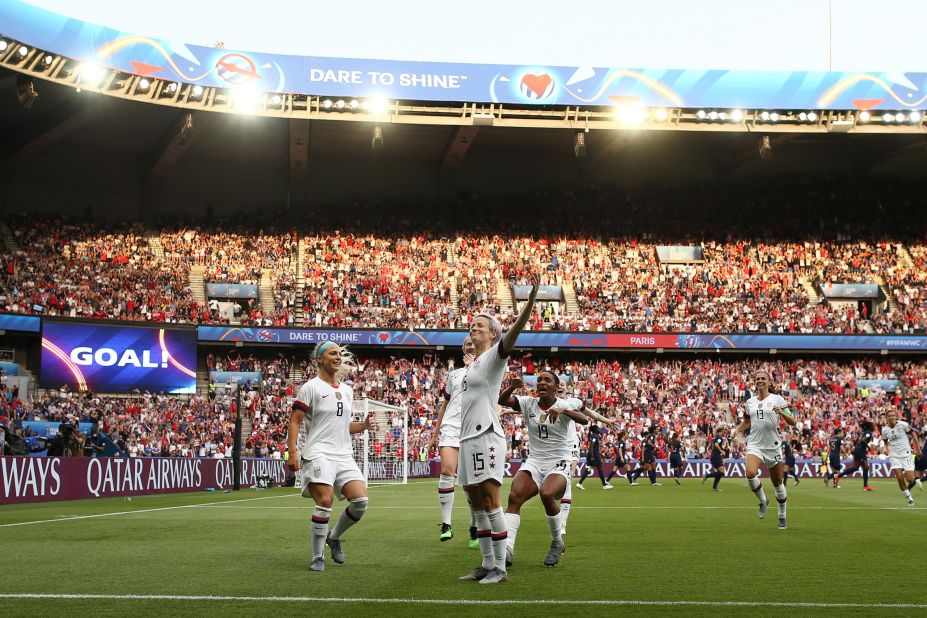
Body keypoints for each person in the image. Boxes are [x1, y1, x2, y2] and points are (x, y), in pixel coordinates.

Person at [457, 275, 539, 585]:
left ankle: (501, 570)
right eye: (472, 325)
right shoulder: (472, 365)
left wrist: (529, 303)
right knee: (476, 504)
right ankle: (487, 564)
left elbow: (514, 332)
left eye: (480, 325)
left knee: (491, 500)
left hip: (484, 436)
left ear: (493, 333)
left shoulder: (493, 358)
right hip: (466, 438)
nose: (474, 327)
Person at [286, 341, 376, 572]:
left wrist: (363, 426)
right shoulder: (311, 387)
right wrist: (293, 452)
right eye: (332, 353)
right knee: (325, 501)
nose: (338, 357)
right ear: (320, 360)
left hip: (343, 454)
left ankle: (333, 537)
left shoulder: (347, 390)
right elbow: (294, 421)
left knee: (360, 502)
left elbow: (342, 426)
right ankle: (318, 557)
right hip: (318, 452)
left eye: (339, 353)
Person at [498, 372, 589, 567]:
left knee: (547, 494)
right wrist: (512, 386)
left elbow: (584, 420)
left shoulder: (563, 405)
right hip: (535, 461)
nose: (541, 383)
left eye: (547, 380)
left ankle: (557, 543)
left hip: (559, 462)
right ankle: (507, 548)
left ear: (556, 387)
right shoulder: (528, 403)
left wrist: (563, 411)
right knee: (515, 496)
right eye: (539, 380)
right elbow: (502, 400)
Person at [733, 370, 797, 530]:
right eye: (757, 379)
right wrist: (736, 430)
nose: (760, 381)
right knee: (750, 473)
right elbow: (747, 421)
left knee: (777, 482)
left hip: (773, 446)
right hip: (755, 444)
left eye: (763, 378)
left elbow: (793, 421)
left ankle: (782, 516)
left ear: (769, 382)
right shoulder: (750, 402)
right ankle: (763, 500)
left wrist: (782, 412)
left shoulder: (778, 399)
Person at [428, 336, 477, 543]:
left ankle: (475, 526)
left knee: (470, 483)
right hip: (451, 426)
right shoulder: (454, 375)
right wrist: (434, 434)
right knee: (448, 470)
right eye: (468, 344)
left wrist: (474, 368)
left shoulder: (489, 370)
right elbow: (445, 405)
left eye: (474, 343)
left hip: (474, 428)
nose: (471, 346)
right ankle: (447, 523)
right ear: (462, 348)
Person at [881, 410, 920, 507]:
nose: (892, 417)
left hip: (906, 454)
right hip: (894, 455)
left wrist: (917, 448)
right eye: (889, 416)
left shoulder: (903, 425)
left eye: (893, 415)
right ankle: (909, 498)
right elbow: (885, 442)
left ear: (895, 416)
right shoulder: (885, 430)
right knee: (899, 478)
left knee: (910, 480)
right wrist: (886, 449)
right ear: (886, 418)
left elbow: (913, 434)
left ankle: (915, 478)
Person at [834, 421, 875, 491]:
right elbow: (863, 440)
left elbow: (860, 440)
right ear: (869, 426)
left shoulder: (865, 432)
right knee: (866, 467)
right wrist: (868, 447)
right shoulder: (868, 432)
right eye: (872, 425)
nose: (873, 426)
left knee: (856, 468)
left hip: (858, 450)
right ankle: (865, 486)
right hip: (860, 451)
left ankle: (838, 476)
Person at [576, 425, 612, 489]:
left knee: (588, 469)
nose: (599, 429)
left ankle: (579, 483)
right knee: (600, 468)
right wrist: (592, 456)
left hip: (591, 454)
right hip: (594, 454)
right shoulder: (594, 436)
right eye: (598, 428)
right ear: (595, 429)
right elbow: (591, 446)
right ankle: (604, 485)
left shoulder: (593, 435)